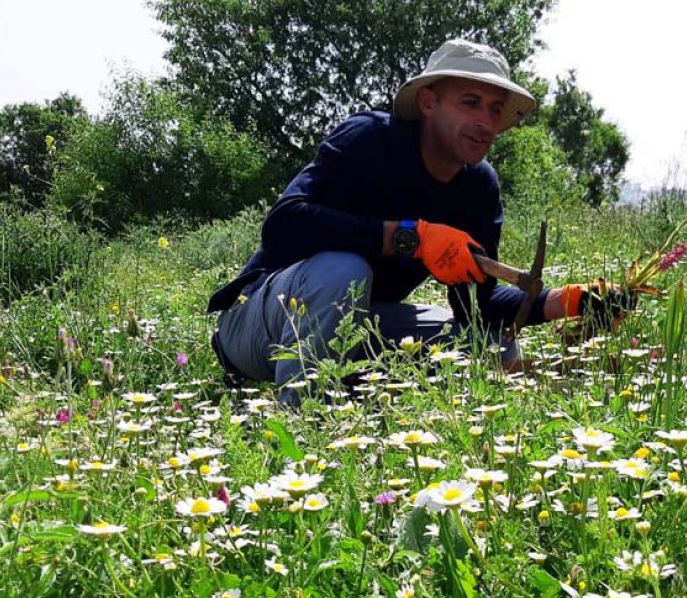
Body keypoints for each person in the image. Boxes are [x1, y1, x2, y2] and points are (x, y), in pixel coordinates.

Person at [208, 38, 629, 403]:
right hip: (258, 324)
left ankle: (365, 396)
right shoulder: (370, 140)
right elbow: (282, 226)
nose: (485, 121)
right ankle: (303, 430)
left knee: (483, 342)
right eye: (470, 103)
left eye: (496, 109)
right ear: (428, 103)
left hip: (363, 321)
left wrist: (566, 302)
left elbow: (478, 308)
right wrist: (410, 238)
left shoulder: (477, 187)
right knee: (344, 271)